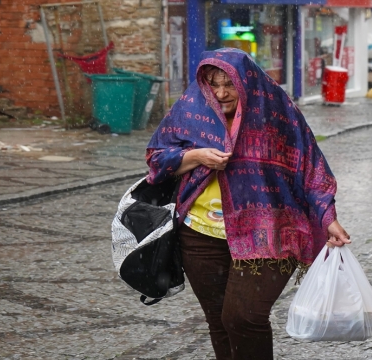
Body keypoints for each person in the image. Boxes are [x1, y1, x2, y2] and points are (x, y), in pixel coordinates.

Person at [146, 48, 350, 359]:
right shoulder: (188, 109)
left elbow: (310, 166)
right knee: (219, 322)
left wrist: (327, 216)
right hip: (199, 236)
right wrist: (195, 156)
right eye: (213, 84)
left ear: (247, 81)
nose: (221, 92)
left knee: (243, 317)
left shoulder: (276, 112)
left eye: (229, 84)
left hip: (269, 233)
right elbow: (156, 158)